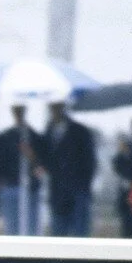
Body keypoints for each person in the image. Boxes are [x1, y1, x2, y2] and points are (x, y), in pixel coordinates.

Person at [35, 101, 96, 237]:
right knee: (58, 236)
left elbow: (89, 163)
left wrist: (83, 187)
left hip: (78, 192)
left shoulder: (80, 132)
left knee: (80, 235)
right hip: (57, 193)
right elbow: (45, 160)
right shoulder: (48, 132)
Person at [0, 104, 44, 235]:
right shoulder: (5, 137)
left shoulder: (34, 137)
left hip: (31, 189)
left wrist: (32, 156)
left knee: (31, 229)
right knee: (12, 229)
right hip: (10, 187)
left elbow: (43, 163)